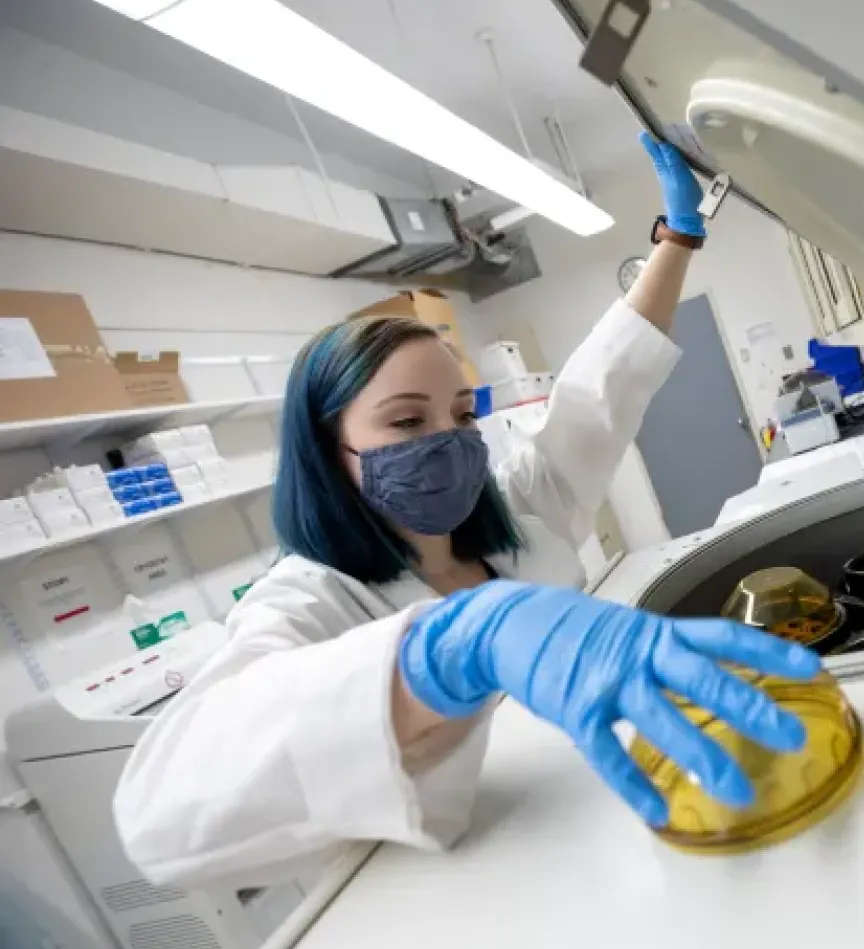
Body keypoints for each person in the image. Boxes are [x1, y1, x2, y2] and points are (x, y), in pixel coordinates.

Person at [113, 137, 821, 886]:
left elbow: (598, 392)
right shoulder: (308, 601)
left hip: (621, 832)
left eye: (460, 414)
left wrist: (678, 239)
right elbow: (158, 816)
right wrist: (449, 649)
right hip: (479, 890)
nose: (446, 442)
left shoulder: (516, 513)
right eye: (407, 422)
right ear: (327, 451)